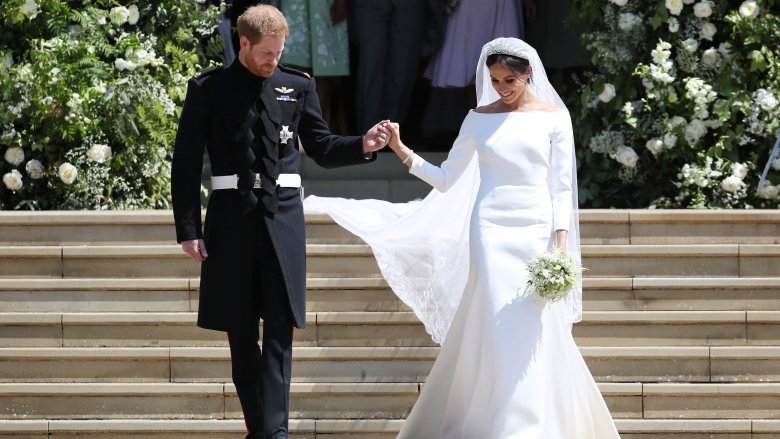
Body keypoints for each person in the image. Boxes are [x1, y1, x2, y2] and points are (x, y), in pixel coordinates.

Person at [304, 38, 620, 438]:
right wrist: (401, 149)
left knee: (535, 320)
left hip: (536, 229)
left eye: (509, 79)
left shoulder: (555, 117)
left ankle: (534, 419)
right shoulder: (477, 118)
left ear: (528, 74)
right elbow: (446, 179)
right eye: (494, 79)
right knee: (494, 315)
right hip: (489, 228)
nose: (501, 86)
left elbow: (560, 187)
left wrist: (559, 245)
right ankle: (500, 420)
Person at [170, 5, 389, 439]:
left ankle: (274, 433)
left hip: (283, 220)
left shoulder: (297, 85)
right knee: (240, 331)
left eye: (279, 52)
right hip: (231, 221)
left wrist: (363, 144)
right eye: (266, 53)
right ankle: (262, 428)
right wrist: (189, 230)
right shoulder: (208, 88)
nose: (273, 60)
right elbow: (186, 162)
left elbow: (322, 147)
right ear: (243, 43)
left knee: (280, 331)